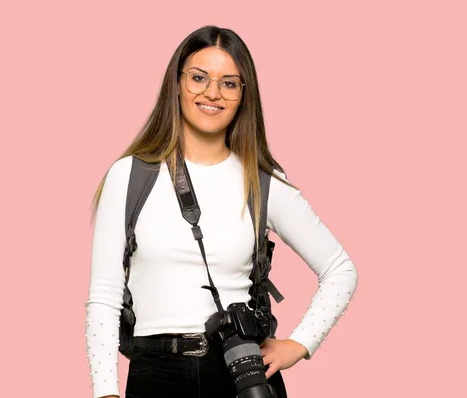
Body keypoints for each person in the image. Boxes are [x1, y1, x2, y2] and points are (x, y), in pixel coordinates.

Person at [84, 25, 359, 398]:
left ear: (244, 95)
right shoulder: (130, 175)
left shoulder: (262, 182)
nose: (212, 93)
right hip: (155, 371)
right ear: (177, 83)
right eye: (199, 78)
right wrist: (105, 391)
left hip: (237, 371)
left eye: (229, 83)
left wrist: (300, 344)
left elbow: (339, 269)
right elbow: (104, 294)